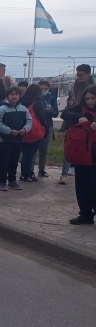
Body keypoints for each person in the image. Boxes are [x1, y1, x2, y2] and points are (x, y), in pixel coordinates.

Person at [60, 85, 96, 225]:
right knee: (81, 185)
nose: (90, 101)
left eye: (93, 98)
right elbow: (64, 113)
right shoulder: (80, 108)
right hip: (81, 153)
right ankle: (86, 214)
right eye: (87, 98)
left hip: (94, 154)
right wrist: (79, 117)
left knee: (94, 185)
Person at [0, 87, 32, 191]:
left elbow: (29, 121)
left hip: (18, 140)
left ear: (19, 96)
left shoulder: (24, 109)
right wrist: (9, 131)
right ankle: (2, 182)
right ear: (7, 96)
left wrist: (25, 129)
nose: (14, 96)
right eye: (12, 94)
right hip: (4, 141)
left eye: (16, 94)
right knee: (4, 162)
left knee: (14, 161)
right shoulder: (1, 109)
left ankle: (12, 181)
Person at [60, 81, 90, 184]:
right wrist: (63, 128)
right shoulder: (77, 104)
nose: (89, 100)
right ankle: (64, 174)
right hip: (75, 132)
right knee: (71, 152)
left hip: (89, 137)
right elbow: (65, 114)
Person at [19, 84, 50, 182]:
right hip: (34, 130)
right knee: (30, 154)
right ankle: (26, 174)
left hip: (23, 130)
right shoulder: (39, 102)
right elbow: (42, 117)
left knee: (25, 154)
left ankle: (24, 173)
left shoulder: (22, 100)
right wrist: (46, 129)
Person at [36, 80, 58, 178]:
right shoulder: (36, 98)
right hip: (36, 126)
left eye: (46, 89)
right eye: (41, 89)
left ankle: (41, 169)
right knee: (33, 149)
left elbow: (56, 113)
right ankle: (30, 169)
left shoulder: (51, 98)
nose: (44, 91)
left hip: (47, 125)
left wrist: (50, 111)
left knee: (43, 150)